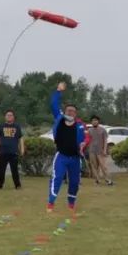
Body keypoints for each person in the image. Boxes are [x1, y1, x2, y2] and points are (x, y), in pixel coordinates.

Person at [48, 82, 85, 215]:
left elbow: (85, 138)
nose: (70, 112)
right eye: (68, 110)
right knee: (57, 178)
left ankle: (71, 204)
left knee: (74, 182)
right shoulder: (60, 119)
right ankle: (51, 203)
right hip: (61, 156)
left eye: (73, 111)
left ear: (76, 113)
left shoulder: (80, 125)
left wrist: (83, 144)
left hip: (75, 158)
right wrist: (58, 90)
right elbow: (53, 104)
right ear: (65, 112)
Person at [0, 110, 25, 190]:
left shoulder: (17, 126)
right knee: (1, 170)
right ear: (5, 117)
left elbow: (21, 138)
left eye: (11, 115)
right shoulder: (1, 126)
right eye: (7, 115)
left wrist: (22, 149)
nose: (9, 116)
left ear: (13, 117)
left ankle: (17, 185)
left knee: (14, 170)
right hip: (3, 152)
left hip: (13, 152)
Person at [85, 115, 112, 186]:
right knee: (94, 166)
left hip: (100, 151)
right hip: (92, 151)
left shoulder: (103, 130)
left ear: (98, 121)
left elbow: (105, 140)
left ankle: (108, 180)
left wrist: (105, 150)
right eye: (93, 120)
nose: (94, 122)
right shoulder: (89, 130)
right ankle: (97, 180)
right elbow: (87, 140)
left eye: (95, 120)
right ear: (91, 122)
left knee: (103, 166)